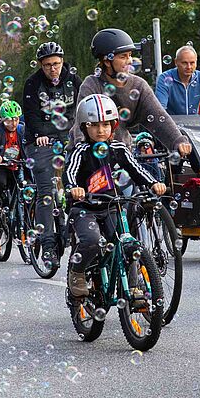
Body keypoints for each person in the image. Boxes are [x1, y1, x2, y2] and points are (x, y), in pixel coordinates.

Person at [64, 94, 166, 297]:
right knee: (92, 240)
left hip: (112, 206)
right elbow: (69, 173)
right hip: (85, 207)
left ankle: (134, 286)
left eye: (106, 125)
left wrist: (153, 183)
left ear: (114, 126)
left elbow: (137, 169)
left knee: (126, 243)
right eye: (94, 125)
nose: (101, 130)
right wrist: (74, 188)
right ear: (85, 127)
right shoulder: (80, 151)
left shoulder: (119, 149)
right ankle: (77, 272)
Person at [70, 28, 192, 159]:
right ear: (107, 61)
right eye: (123, 57)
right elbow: (81, 125)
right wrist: (82, 148)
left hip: (122, 154)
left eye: (129, 55)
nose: (129, 61)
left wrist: (178, 140)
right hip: (87, 155)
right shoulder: (91, 85)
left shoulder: (139, 86)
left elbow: (159, 117)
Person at [22, 41, 78, 269]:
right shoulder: (32, 84)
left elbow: (81, 107)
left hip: (69, 137)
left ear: (62, 61)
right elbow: (31, 116)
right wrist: (39, 135)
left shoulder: (73, 80)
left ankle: (76, 232)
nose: (53, 69)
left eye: (56, 64)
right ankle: (47, 246)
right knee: (46, 190)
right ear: (40, 65)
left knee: (78, 183)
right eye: (47, 65)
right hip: (40, 140)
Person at [0, 100, 29, 231]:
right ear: (3, 119)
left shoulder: (22, 129)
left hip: (18, 165)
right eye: (9, 120)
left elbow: (30, 142)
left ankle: (26, 217)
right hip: (1, 166)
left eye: (15, 119)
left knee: (29, 185)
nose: (13, 123)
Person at [156, 45, 200, 115]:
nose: (189, 67)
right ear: (176, 62)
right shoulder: (164, 77)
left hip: (193, 123)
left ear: (196, 62)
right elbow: (160, 108)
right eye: (184, 63)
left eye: (192, 63)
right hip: (171, 123)